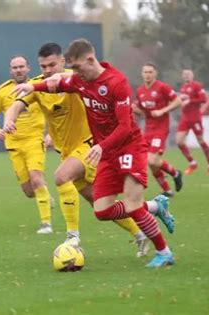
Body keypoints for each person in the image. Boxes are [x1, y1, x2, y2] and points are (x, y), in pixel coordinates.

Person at [12, 39, 175, 267]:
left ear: (90, 59)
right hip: (106, 153)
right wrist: (32, 87)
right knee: (102, 211)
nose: (74, 73)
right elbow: (59, 85)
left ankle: (164, 252)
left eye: (77, 67)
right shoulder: (81, 80)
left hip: (129, 147)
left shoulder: (117, 82)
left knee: (131, 203)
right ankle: (156, 206)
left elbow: (125, 127)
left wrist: (100, 146)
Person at [0, 55, 53, 234]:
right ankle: (45, 196)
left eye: (21, 66)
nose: (18, 70)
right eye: (15, 67)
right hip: (14, 144)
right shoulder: (2, 91)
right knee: (29, 190)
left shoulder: (38, 87)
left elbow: (51, 110)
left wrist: (50, 134)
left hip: (34, 141)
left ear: (28, 68)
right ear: (11, 70)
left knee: (36, 177)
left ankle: (46, 223)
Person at [134, 62, 183, 197]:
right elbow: (142, 110)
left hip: (161, 129)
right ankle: (167, 190)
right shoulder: (140, 91)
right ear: (142, 74)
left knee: (152, 160)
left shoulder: (162, 87)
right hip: (148, 129)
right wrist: (134, 109)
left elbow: (178, 101)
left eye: (150, 72)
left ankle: (175, 173)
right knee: (151, 163)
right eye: (145, 72)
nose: (148, 75)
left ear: (155, 73)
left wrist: (162, 111)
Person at [176, 69, 209, 175]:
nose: (186, 76)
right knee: (179, 141)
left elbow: (204, 99)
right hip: (185, 118)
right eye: (184, 74)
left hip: (195, 118)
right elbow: (182, 101)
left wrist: (190, 101)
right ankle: (192, 163)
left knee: (201, 141)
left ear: (192, 75)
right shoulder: (183, 88)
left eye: (188, 74)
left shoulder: (197, 86)